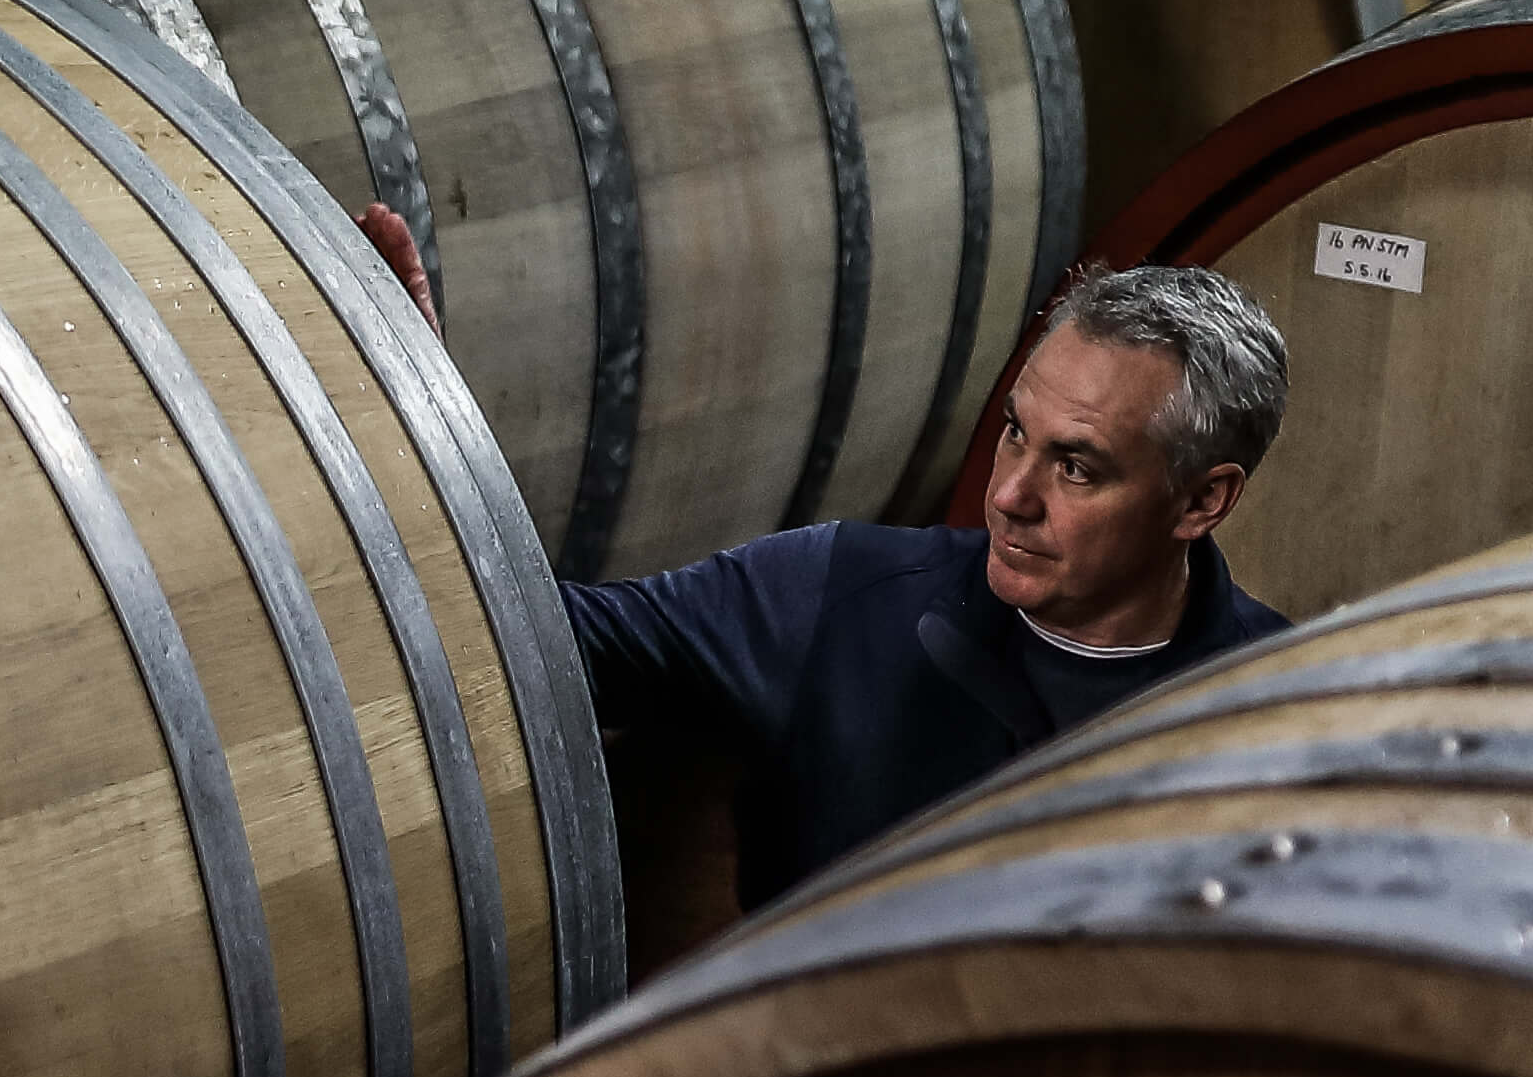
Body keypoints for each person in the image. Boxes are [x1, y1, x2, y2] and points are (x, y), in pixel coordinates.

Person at [554, 261, 1293, 907]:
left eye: (1075, 466)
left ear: (1202, 501)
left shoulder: (1294, 712)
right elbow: (551, 642)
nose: (1009, 496)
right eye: (1014, 433)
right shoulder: (843, 593)